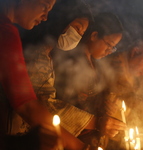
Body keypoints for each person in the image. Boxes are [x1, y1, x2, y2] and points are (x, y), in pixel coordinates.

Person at [0, 0, 91, 149]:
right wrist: (80, 146)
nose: (45, 17)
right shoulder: (5, 32)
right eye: (45, 6)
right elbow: (26, 104)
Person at [53, 12, 126, 148]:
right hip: (69, 139)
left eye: (113, 47)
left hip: (92, 139)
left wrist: (105, 105)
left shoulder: (97, 63)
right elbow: (57, 105)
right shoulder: (69, 61)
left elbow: (99, 96)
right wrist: (97, 122)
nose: (110, 51)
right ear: (94, 36)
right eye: (109, 44)